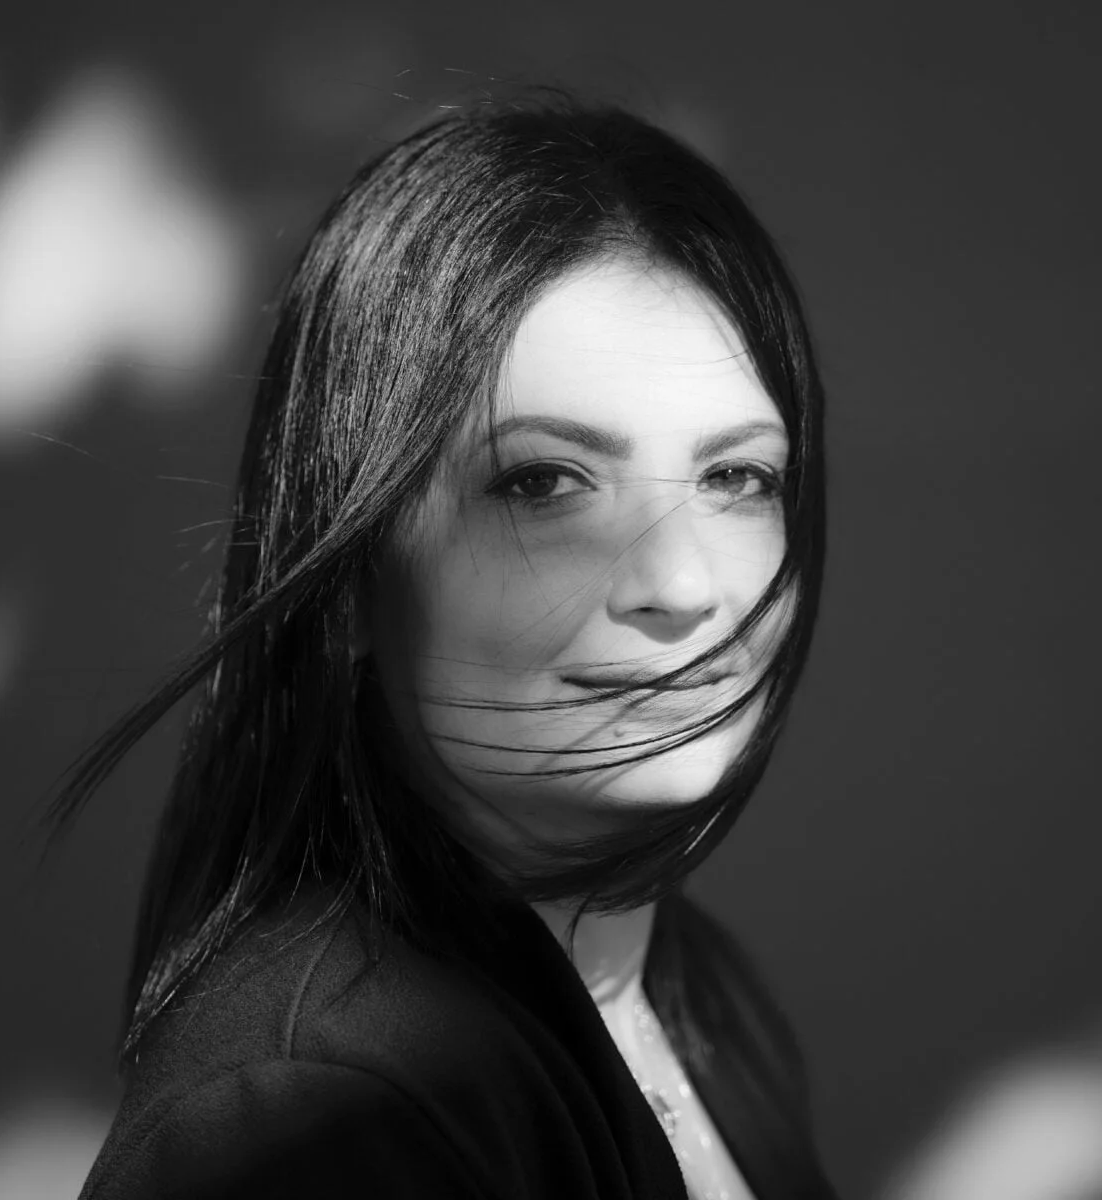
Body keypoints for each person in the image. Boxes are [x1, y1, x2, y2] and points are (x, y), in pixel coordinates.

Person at [53, 92, 837, 1199]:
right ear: (350, 579)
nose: (683, 586)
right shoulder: (311, 1115)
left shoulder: (698, 991)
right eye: (545, 482)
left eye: (736, 476)